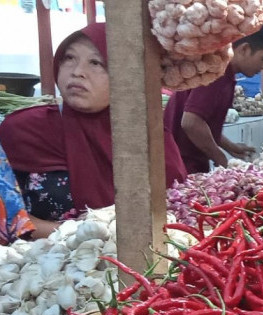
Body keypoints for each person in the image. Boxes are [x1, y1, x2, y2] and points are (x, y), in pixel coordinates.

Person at [0, 23, 187, 239]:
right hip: (41, 266)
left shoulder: (150, 137)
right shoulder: (22, 129)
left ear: (128, 77)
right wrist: (84, 235)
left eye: (96, 62)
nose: (78, 72)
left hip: (140, 264)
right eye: (69, 58)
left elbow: (176, 212)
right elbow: (7, 219)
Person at [164, 25, 263, 174]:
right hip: (180, 163)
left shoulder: (226, 75)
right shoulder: (217, 74)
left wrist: (230, 146)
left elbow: (204, 124)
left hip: (189, 161)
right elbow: (191, 122)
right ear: (244, 49)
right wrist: (222, 160)